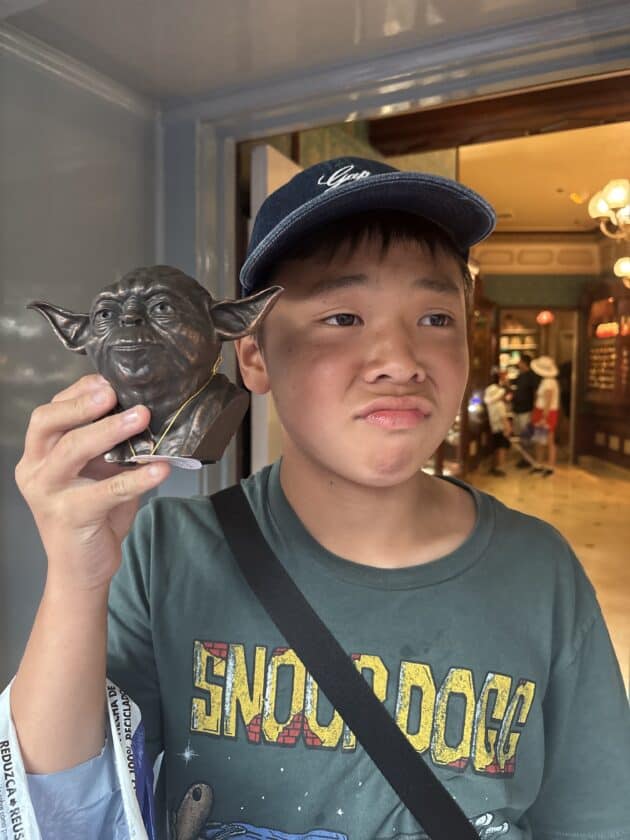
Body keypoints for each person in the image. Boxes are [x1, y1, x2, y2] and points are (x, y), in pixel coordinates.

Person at [5, 157, 630, 839]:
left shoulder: (540, 570)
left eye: (435, 316)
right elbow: (63, 809)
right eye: (342, 316)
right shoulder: (168, 553)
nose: (400, 360)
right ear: (253, 356)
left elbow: (597, 819)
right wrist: (74, 575)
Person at [530, 356, 560, 478]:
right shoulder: (548, 381)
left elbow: (548, 401)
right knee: (541, 440)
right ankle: (540, 465)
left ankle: (549, 467)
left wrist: (544, 417)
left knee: (548, 441)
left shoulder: (548, 382)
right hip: (543, 412)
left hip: (545, 413)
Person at [510, 354, 539, 468]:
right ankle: (524, 458)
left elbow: (536, 392)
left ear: (524, 363)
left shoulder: (532, 376)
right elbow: (512, 386)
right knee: (521, 436)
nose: (518, 364)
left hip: (526, 410)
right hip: (517, 409)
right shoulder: (520, 375)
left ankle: (527, 459)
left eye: (520, 361)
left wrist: (534, 409)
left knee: (526, 435)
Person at [483, 376, 510, 477]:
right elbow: (504, 419)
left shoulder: (490, 405)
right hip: (501, 429)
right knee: (502, 448)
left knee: (496, 448)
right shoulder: (500, 405)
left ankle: (494, 466)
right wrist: (508, 429)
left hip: (494, 428)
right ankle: (500, 467)